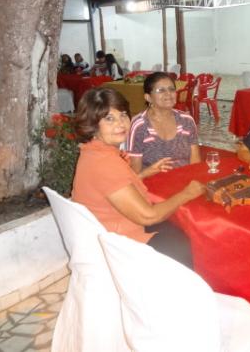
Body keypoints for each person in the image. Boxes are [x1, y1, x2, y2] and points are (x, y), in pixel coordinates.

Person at [71, 87, 205, 266]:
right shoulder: (103, 162)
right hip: (117, 243)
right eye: (109, 118)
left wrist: (143, 174)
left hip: (108, 227)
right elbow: (148, 216)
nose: (120, 124)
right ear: (93, 124)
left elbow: (113, 187)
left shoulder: (94, 151)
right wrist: (188, 193)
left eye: (123, 115)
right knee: (181, 240)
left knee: (174, 225)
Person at [128, 72, 201, 179]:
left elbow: (195, 162)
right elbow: (135, 173)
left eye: (171, 89)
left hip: (185, 179)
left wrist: (193, 181)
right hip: (154, 183)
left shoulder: (186, 120)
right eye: (161, 90)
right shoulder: (140, 126)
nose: (168, 94)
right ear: (148, 97)